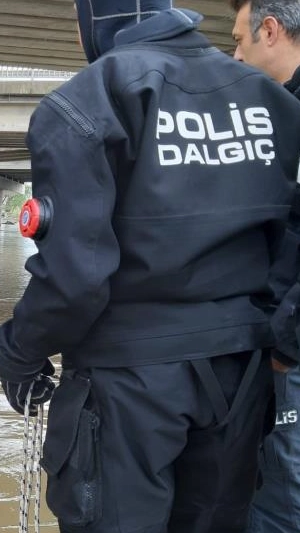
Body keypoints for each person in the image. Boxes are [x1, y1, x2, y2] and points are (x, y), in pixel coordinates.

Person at [0, 1, 300, 531]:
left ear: (98, 17)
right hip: (242, 378)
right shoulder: (273, 101)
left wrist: (16, 352)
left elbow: (74, 279)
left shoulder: (90, 99)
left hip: (127, 384)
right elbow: (288, 243)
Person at [230, 2, 300, 531]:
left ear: (270, 31)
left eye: (239, 40)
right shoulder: (282, 111)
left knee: (280, 496)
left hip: (290, 354)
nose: (234, 55)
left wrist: (284, 344)